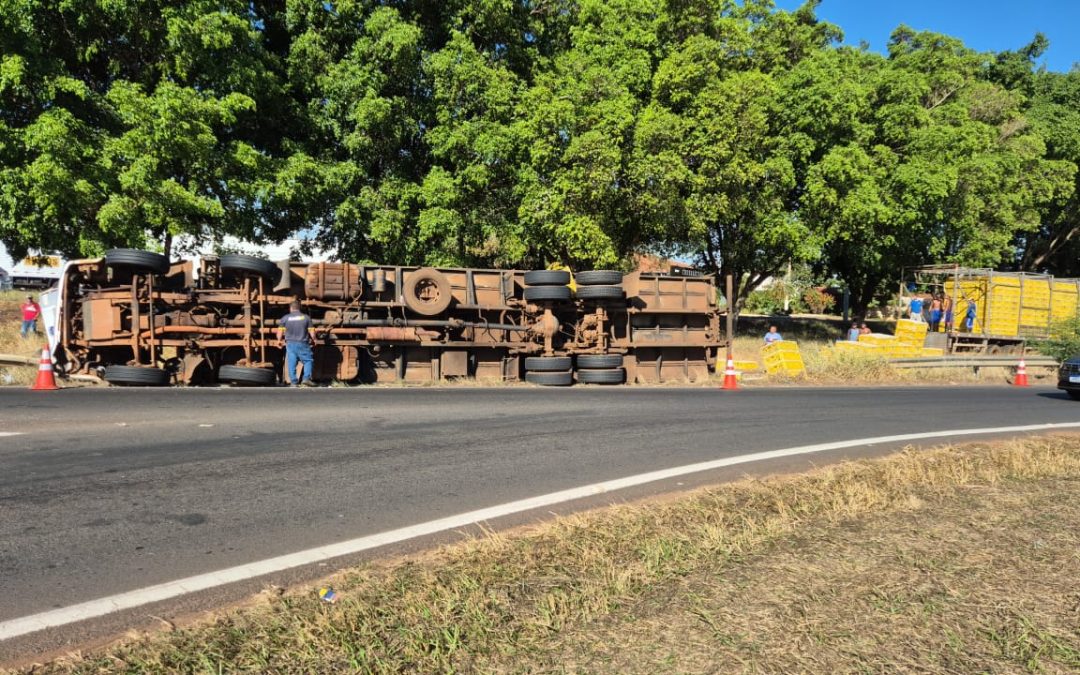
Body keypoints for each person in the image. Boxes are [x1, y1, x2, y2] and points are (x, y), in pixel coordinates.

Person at [277, 300, 316, 386]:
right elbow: (312, 332)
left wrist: (279, 341)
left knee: (292, 363)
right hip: (303, 343)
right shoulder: (306, 318)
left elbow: (279, 332)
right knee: (308, 361)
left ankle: (294, 382)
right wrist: (314, 340)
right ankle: (306, 378)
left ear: (290, 308)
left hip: (290, 344)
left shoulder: (285, 318)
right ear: (300, 308)